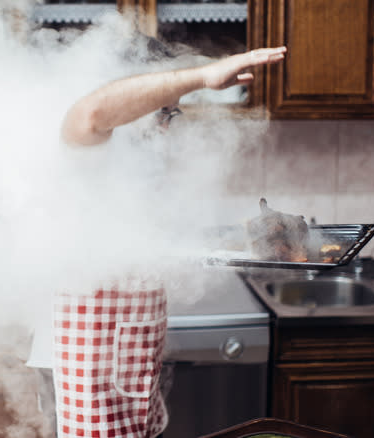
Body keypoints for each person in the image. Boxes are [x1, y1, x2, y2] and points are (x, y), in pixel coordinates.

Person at [44, 45, 288, 438]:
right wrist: (203, 76)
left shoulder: (134, 167)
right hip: (93, 385)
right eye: (160, 111)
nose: (165, 127)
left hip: (131, 381)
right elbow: (91, 112)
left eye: (170, 114)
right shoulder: (85, 148)